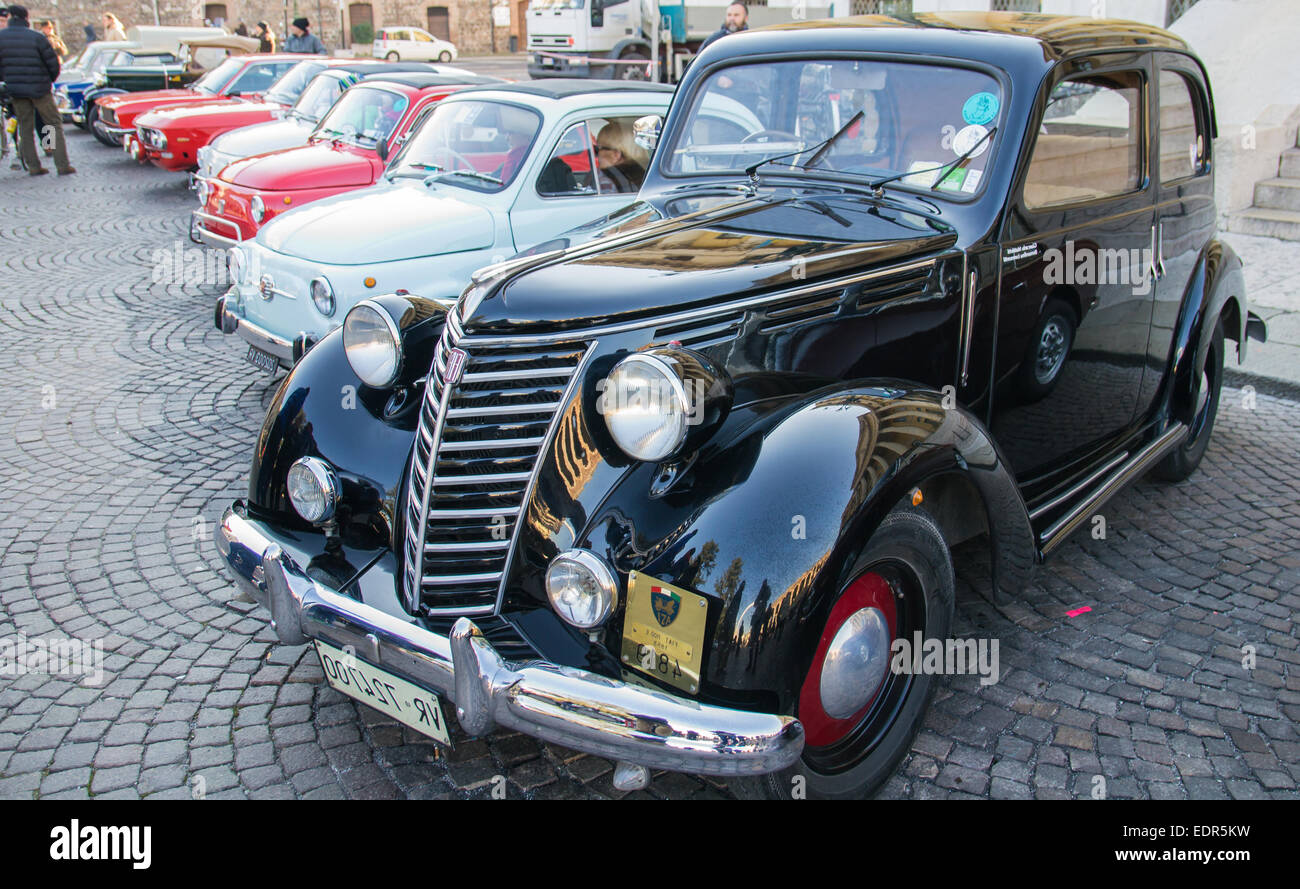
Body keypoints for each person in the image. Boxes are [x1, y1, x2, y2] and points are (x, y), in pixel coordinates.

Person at [0, 5, 74, 175]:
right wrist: (49, 80)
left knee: (25, 128)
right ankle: (61, 163)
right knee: (52, 124)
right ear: (26, 18)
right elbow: (53, 64)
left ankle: (33, 166)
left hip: (16, 90)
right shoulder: (37, 37)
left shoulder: (1, 38)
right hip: (40, 88)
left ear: (11, 17)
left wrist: (7, 80)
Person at [593, 120, 646, 193]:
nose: (596, 154)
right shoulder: (648, 177)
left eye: (598, 149)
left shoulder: (603, 181)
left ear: (616, 155)